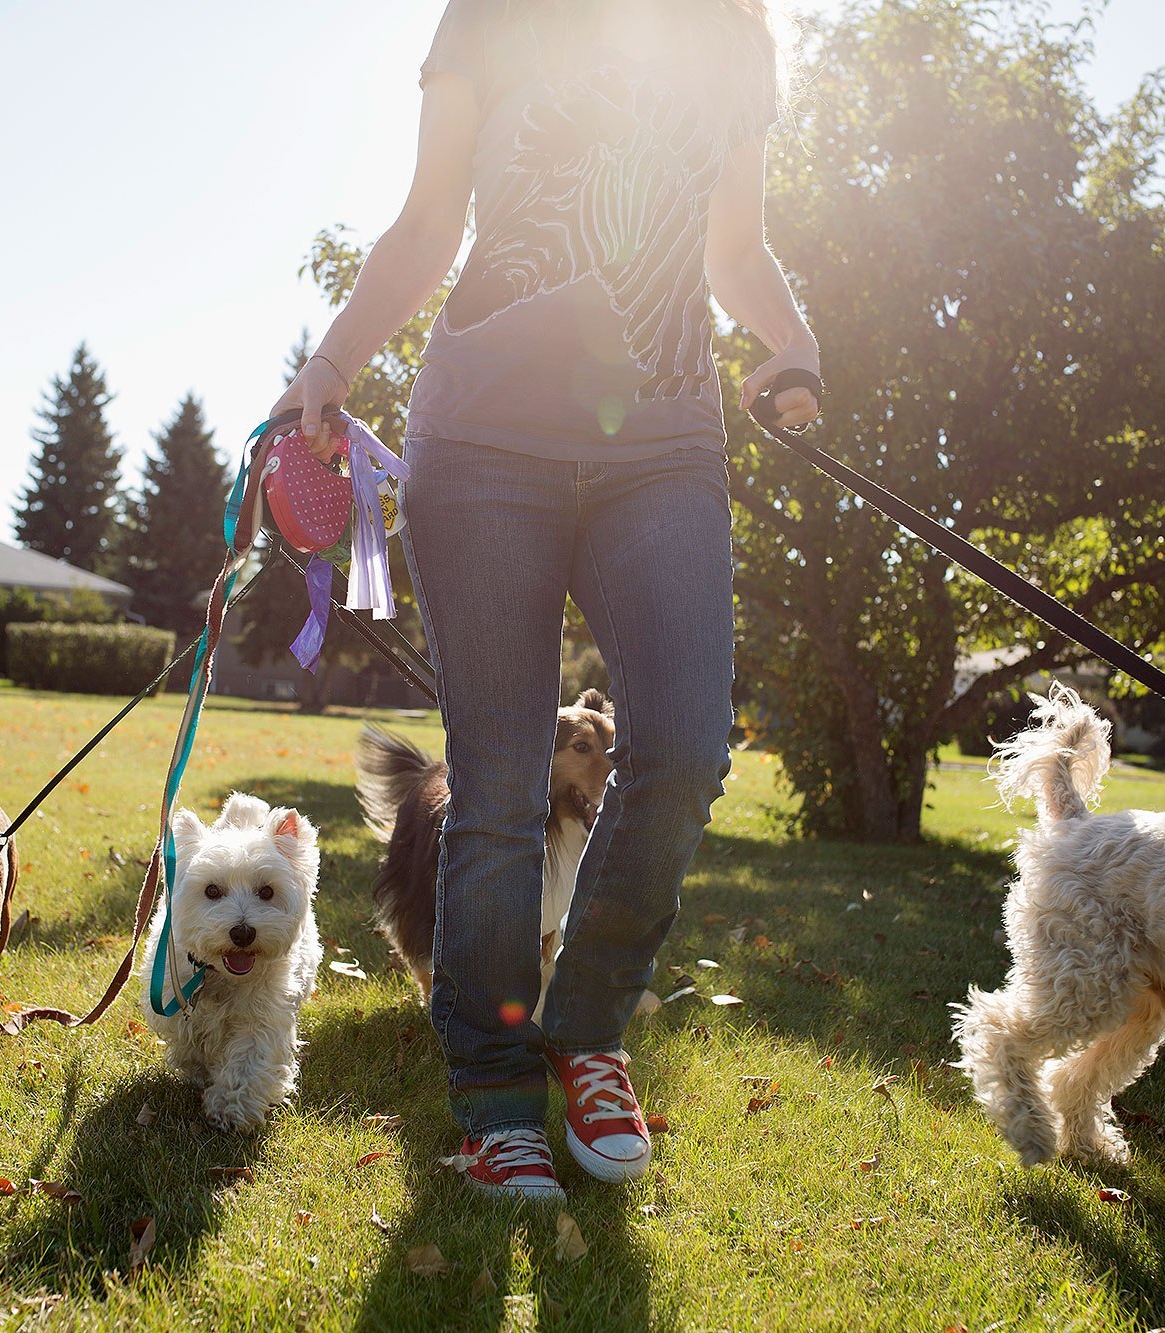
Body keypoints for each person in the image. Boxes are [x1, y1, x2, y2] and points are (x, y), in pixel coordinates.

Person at [273, 0, 821, 1201]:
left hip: (664, 442)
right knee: (500, 785)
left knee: (678, 750)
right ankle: (489, 1084)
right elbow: (429, 221)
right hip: (481, 442)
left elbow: (735, 249)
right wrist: (332, 362)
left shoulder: (734, 38)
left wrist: (789, 342)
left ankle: (584, 1033)